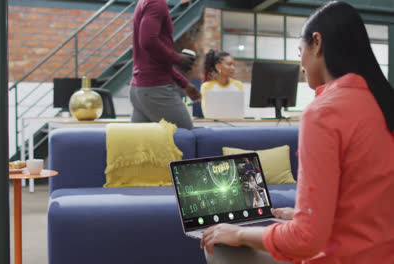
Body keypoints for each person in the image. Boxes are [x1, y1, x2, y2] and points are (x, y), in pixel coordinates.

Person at [200, 1, 394, 263]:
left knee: (220, 245)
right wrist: (312, 215)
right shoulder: (381, 104)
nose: (300, 62)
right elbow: (369, 201)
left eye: (300, 50)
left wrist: (240, 234)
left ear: (317, 43)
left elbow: (305, 240)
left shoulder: (323, 112)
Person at [129, 0, 201, 130]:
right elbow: (148, 41)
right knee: (186, 139)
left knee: (143, 147)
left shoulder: (145, 2)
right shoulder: (157, 2)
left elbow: (154, 59)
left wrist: (183, 83)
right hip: (155, 90)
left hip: (140, 89)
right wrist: (177, 58)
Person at [200, 49, 244, 115]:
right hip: (213, 124)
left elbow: (240, 112)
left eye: (233, 65)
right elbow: (206, 113)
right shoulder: (207, 86)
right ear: (218, 67)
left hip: (235, 123)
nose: (233, 68)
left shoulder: (238, 85)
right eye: (229, 64)